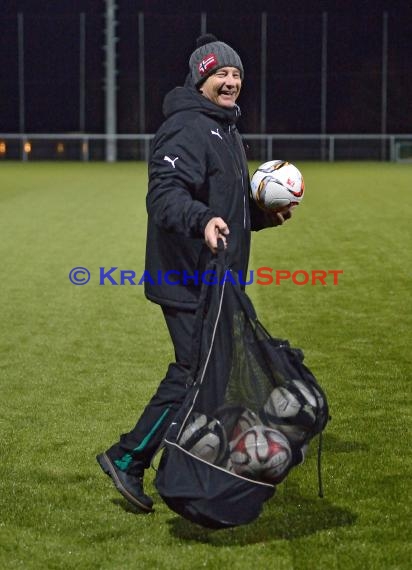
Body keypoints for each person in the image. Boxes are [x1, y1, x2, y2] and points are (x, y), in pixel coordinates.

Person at [96, 34, 291, 512]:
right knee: (192, 376)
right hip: (187, 278)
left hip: (217, 279)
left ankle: (178, 461)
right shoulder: (186, 127)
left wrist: (262, 215)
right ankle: (128, 460)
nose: (230, 81)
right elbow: (165, 196)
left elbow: (226, 205)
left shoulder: (225, 130)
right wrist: (200, 220)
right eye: (220, 73)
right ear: (201, 79)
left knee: (205, 375)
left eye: (236, 74)